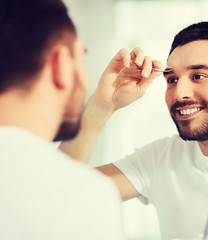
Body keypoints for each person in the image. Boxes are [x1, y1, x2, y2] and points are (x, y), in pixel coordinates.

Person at [59, 22, 208, 240]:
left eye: (198, 76)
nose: (179, 93)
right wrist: (102, 103)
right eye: (172, 79)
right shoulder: (161, 160)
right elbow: (59, 192)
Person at [0, 0, 161, 239]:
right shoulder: (85, 197)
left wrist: (103, 105)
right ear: (61, 64)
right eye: (80, 58)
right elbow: (56, 193)